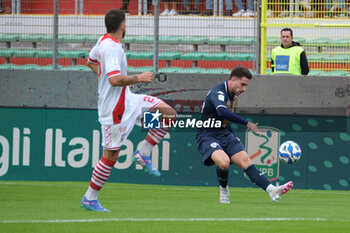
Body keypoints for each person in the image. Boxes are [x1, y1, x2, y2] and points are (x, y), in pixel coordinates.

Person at [80, 9, 177, 212]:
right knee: (111, 156)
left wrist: (103, 76)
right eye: (126, 22)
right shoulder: (112, 48)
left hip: (129, 100)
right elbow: (115, 80)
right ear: (122, 25)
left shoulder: (102, 42)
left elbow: (90, 61)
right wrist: (139, 77)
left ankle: (143, 151)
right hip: (114, 109)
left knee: (169, 115)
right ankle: (90, 198)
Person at [196, 65, 293, 204]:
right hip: (207, 134)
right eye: (242, 85)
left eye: (246, 86)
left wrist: (232, 134)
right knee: (224, 163)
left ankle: (272, 190)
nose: (244, 89)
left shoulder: (233, 96)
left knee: (246, 161)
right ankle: (224, 190)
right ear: (233, 79)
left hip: (224, 133)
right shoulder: (218, 92)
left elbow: (224, 119)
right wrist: (247, 123)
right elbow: (222, 112)